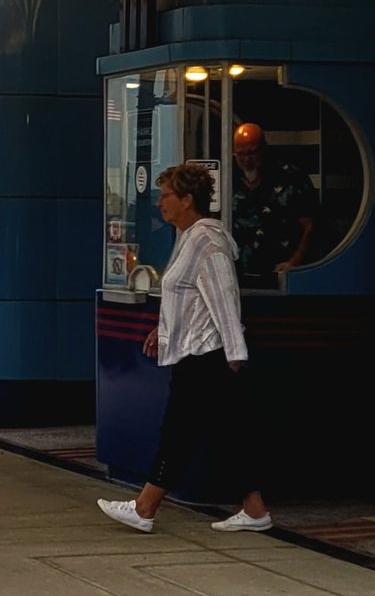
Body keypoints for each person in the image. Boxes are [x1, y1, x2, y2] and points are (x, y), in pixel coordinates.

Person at [97, 162, 272, 536]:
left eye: (166, 196)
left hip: (207, 355)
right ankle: (255, 510)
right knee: (223, 433)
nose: (160, 203)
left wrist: (234, 354)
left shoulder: (207, 242)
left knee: (178, 433)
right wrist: (162, 330)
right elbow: (188, 300)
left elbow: (224, 299)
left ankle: (144, 508)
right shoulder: (188, 238)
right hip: (199, 353)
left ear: (188, 199)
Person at [230, 121, 317, 282]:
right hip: (237, 275)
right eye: (240, 154)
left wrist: (295, 262)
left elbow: (310, 225)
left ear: (263, 149)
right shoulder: (227, 180)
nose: (247, 160)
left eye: (252, 153)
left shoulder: (291, 177)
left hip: (282, 273)